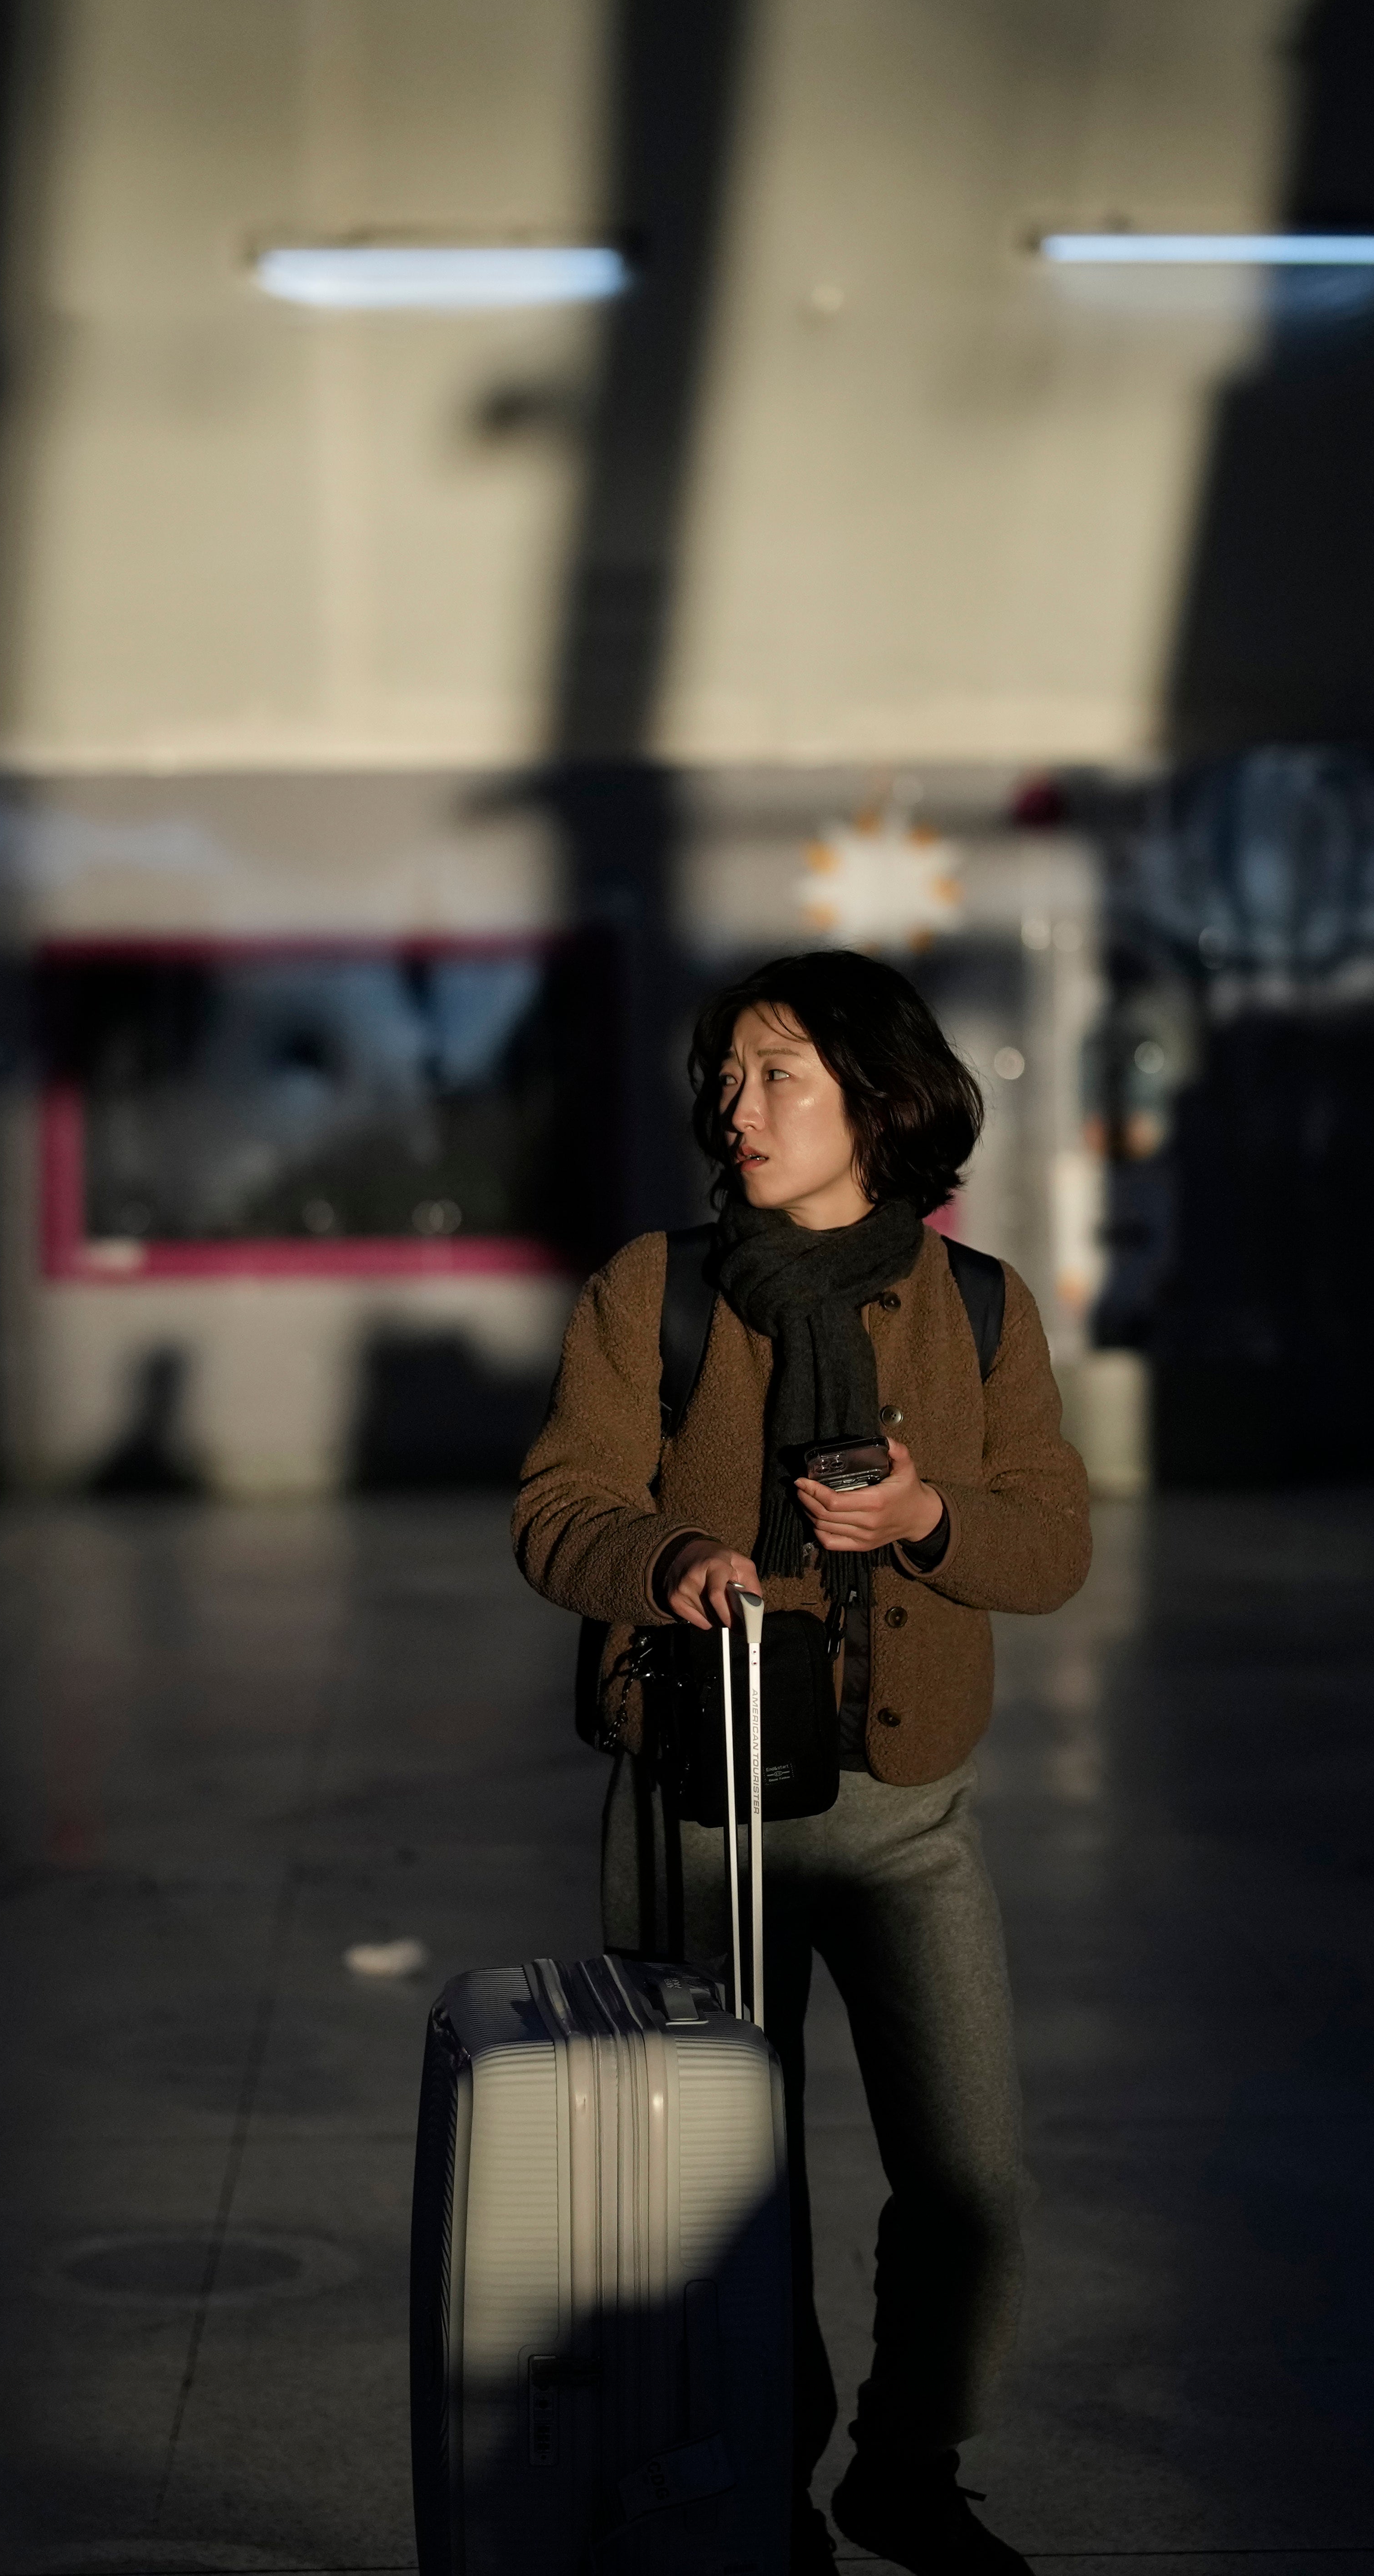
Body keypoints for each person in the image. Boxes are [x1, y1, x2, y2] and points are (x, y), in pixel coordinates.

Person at [513, 950, 1090, 2576]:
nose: (735, 1106)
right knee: (714, 2192)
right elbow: (557, 1505)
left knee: (970, 2178)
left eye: (778, 1075)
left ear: (879, 1101)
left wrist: (929, 1519)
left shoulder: (977, 1307)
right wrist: (667, 1558)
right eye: (727, 1076)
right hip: (699, 1799)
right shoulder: (658, 1287)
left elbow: (1050, 1546)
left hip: (908, 1810)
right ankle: (750, 2478)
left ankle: (904, 2463)